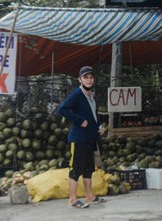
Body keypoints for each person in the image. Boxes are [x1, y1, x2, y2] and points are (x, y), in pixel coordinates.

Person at [58, 66, 106, 209]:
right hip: (78, 139)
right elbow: (62, 108)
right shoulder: (77, 94)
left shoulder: (92, 95)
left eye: (91, 77)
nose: (89, 80)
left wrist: (99, 127)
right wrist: (79, 120)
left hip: (90, 139)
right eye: (86, 77)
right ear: (80, 79)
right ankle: (72, 199)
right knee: (76, 168)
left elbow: (93, 115)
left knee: (88, 168)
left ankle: (89, 196)